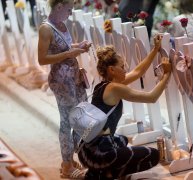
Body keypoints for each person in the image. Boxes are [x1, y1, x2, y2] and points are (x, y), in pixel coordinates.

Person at [77, 34, 171, 179]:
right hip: (97, 154)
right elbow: (152, 98)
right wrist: (166, 75)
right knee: (153, 155)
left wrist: (155, 49)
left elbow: (138, 71)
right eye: (122, 66)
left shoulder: (103, 86)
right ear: (111, 70)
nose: (126, 69)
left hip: (86, 150)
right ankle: (104, 174)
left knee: (123, 140)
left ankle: (98, 172)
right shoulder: (115, 88)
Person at [37, 0, 92, 178]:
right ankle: (67, 164)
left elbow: (65, 47)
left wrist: (78, 47)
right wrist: (70, 54)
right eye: (69, 9)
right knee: (67, 123)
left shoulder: (60, 24)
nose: (70, 13)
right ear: (59, 6)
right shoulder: (46, 28)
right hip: (62, 81)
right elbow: (43, 59)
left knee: (80, 117)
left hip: (73, 77)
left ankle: (71, 158)